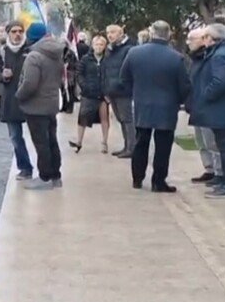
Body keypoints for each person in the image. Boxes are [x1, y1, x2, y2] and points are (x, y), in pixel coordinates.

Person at [120, 20, 191, 192]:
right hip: (167, 106)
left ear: (152, 33)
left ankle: (137, 178)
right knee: (163, 146)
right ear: (169, 34)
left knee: (140, 142)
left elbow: (124, 78)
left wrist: (136, 93)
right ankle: (158, 181)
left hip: (142, 104)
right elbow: (184, 85)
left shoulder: (134, 53)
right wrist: (180, 101)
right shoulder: (176, 57)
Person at [188, 23, 225, 198]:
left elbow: (220, 82)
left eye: (205, 37)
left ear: (212, 38)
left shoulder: (219, 56)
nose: (203, 40)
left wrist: (205, 95)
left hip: (221, 110)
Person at [15, 22, 66, 190]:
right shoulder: (56, 53)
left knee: (41, 143)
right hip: (51, 103)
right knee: (52, 141)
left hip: (35, 106)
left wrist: (19, 95)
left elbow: (30, 83)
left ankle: (44, 177)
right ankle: (56, 176)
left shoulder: (34, 56)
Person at [0, 21, 34, 180]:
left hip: (30, 99)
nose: (17, 34)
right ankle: (25, 168)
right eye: (14, 31)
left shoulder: (30, 50)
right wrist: (2, 76)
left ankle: (47, 169)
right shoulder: (2, 52)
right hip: (11, 99)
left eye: (20, 31)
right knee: (15, 137)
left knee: (39, 136)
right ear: (8, 34)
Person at [70, 33, 111, 153]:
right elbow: (79, 73)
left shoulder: (108, 59)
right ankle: (79, 141)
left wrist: (108, 90)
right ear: (92, 45)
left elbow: (111, 75)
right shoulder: (85, 59)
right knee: (83, 118)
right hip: (88, 94)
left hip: (102, 94)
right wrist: (84, 86)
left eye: (101, 44)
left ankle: (104, 142)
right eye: (96, 44)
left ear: (105, 46)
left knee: (104, 118)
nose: (99, 47)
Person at [103, 24, 135, 158]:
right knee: (121, 119)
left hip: (124, 91)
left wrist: (122, 84)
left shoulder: (129, 49)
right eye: (108, 33)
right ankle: (126, 146)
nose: (110, 35)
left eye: (113, 32)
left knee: (127, 119)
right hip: (113, 91)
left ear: (121, 33)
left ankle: (132, 148)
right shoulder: (110, 50)